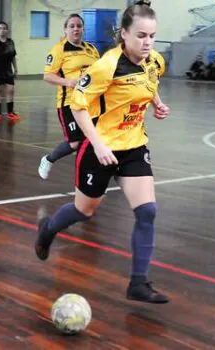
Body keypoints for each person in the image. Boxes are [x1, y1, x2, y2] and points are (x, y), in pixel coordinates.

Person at [35, 1, 170, 304]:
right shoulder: (107, 65)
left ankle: (138, 283)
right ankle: (48, 229)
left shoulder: (154, 61)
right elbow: (77, 105)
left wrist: (156, 103)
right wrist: (97, 143)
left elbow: (150, 82)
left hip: (133, 147)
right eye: (141, 35)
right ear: (124, 33)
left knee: (147, 211)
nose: (147, 42)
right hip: (99, 148)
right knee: (84, 210)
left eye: (152, 36)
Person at [38, 14, 100, 180]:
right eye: (72, 26)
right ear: (65, 30)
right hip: (68, 104)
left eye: (79, 26)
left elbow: (100, 72)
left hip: (91, 103)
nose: (76, 29)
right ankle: (49, 159)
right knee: (75, 143)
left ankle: (92, 176)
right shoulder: (59, 50)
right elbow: (48, 76)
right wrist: (69, 82)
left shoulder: (92, 49)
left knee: (95, 139)